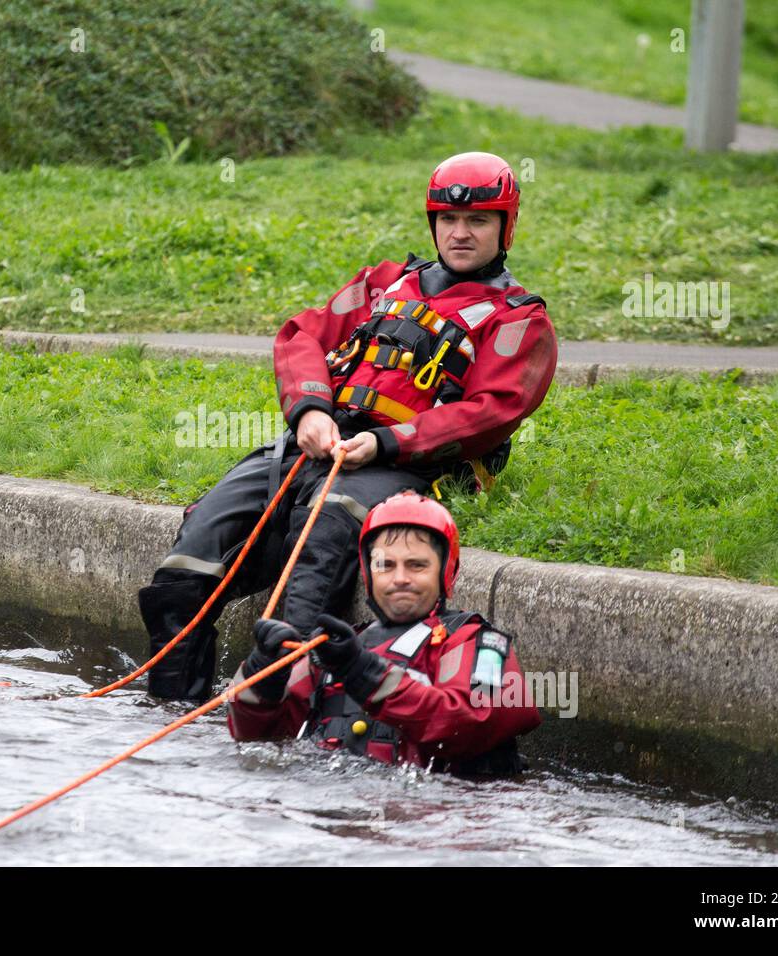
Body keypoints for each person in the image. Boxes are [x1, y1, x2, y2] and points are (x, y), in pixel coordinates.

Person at [139, 151, 558, 701]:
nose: (460, 233)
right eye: (448, 220)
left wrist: (386, 441)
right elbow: (303, 336)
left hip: (404, 465)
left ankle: (286, 719)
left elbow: (491, 410)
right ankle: (169, 711)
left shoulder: (518, 320)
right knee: (186, 563)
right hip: (314, 444)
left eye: (478, 221)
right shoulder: (383, 283)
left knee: (316, 561)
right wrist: (311, 410)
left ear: (507, 227)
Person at [227, 491, 540, 774]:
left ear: (447, 570)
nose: (400, 578)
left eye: (416, 565)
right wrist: (262, 677)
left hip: (434, 818)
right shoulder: (339, 649)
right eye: (385, 565)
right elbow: (253, 737)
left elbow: (474, 721)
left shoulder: (477, 642)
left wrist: (363, 673)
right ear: (368, 570)